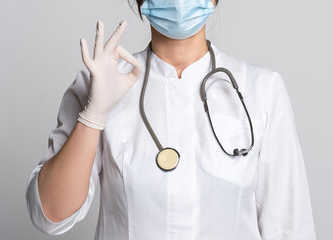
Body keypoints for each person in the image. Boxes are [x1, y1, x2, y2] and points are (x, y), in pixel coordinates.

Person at [25, 0, 317, 239]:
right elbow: (50, 215)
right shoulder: (101, 84)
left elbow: (290, 230)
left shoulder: (262, 90)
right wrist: (93, 115)